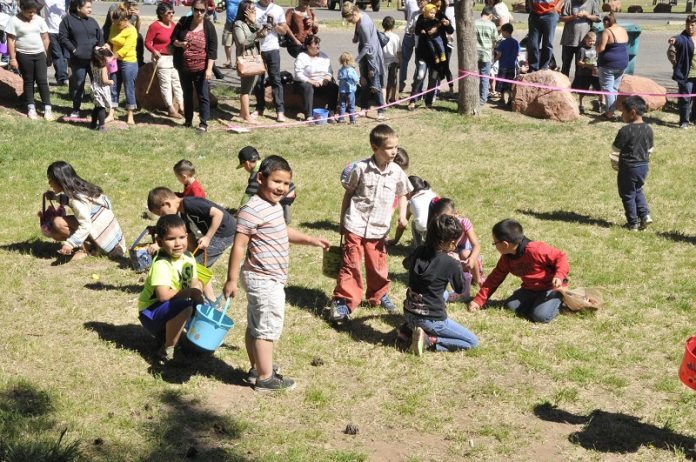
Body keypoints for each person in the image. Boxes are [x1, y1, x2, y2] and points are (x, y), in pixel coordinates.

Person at [222, 155, 329, 392]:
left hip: (264, 278)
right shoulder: (252, 209)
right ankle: (265, 378)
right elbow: (239, 245)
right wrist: (230, 279)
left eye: (285, 183)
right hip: (263, 278)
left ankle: (257, 368)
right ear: (260, 178)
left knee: (255, 326)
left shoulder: (273, 206)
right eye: (276, 182)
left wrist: (310, 239)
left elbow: (282, 231)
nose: (281, 188)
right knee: (266, 329)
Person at [328, 124, 413, 322]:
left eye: (396, 147)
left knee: (377, 265)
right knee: (351, 264)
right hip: (355, 224)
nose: (394, 152)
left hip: (378, 228)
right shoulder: (360, 169)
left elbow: (403, 194)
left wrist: (402, 215)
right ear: (375, 148)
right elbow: (348, 194)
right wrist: (342, 220)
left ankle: (379, 294)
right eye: (389, 148)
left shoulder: (397, 171)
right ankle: (344, 302)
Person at [401, 215, 480, 356]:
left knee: (444, 293)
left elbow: (405, 264)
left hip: (409, 313)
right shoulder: (450, 263)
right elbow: (460, 289)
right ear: (450, 243)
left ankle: (407, 329)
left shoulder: (418, 251)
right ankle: (429, 339)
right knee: (473, 342)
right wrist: (458, 266)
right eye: (455, 242)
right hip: (431, 320)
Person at [469, 219, 569, 324]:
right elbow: (494, 278)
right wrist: (478, 301)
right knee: (510, 307)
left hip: (551, 288)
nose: (494, 245)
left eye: (495, 243)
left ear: (505, 244)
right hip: (530, 289)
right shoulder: (507, 258)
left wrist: (559, 275)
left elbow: (560, 257)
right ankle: (537, 303)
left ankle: (559, 300)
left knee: (540, 316)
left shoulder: (536, 249)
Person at [147, 186, 236, 301]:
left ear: (167, 204)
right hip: (216, 233)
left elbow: (218, 214)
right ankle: (209, 299)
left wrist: (208, 237)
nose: (164, 217)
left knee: (195, 265)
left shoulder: (190, 203)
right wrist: (157, 229)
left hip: (223, 233)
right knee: (195, 263)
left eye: (161, 214)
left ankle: (210, 300)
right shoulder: (182, 211)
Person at [137, 214, 204, 363]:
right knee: (185, 307)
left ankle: (178, 337)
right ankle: (168, 349)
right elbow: (163, 295)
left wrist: (197, 292)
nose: (178, 243)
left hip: (171, 306)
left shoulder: (188, 257)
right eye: (171, 239)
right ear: (160, 241)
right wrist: (190, 293)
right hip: (151, 312)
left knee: (197, 301)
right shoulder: (162, 264)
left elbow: (193, 280)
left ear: (187, 236)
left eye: (181, 237)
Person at [44, 160, 126, 261]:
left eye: (51, 180)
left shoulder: (78, 200)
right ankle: (90, 246)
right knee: (55, 233)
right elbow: (69, 200)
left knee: (58, 223)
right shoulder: (79, 188)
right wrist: (55, 197)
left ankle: (88, 250)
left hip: (105, 239)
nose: (49, 183)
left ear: (59, 180)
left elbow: (86, 225)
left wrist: (71, 243)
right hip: (112, 235)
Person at [171, 0, 218, 133]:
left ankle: (203, 123)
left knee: (203, 95)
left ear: (206, 10)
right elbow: (173, 39)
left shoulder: (209, 27)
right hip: (184, 67)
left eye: (202, 10)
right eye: (196, 9)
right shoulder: (184, 21)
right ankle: (188, 120)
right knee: (187, 94)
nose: (199, 13)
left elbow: (213, 51)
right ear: (192, 8)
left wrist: (209, 69)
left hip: (201, 69)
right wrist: (180, 44)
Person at [427, 197, 484, 297]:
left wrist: (472, 258)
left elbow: (476, 246)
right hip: (451, 257)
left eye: (448, 217)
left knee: (464, 253)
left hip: (466, 259)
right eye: (442, 218)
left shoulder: (464, 223)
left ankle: (478, 279)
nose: (444, 222)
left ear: (456, 214)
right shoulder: (438, 226)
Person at [611, 96, 654, 231]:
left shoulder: (625, 130)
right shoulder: (648, 128)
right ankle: (645, 215)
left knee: (628, 194)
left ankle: (633, 223)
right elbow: (650, 149)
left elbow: (616, 148)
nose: (621, 114)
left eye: (623, 111)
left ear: (632, 113)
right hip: (643, 166)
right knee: (638, 189)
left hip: (628, 167)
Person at [5, 0, 53, 120]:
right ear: (22, 8)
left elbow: (45, 37)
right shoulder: (14, 20)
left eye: (34, 11)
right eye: (29, 12)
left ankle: (47, 108)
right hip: (24, 55)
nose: (32, 14)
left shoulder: (39, 20)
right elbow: (10, 40)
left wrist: (48, 54)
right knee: (28, 81)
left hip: (39, 54)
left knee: (42, 80)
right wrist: (12, 58)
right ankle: (31, 107)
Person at [58, 0, 103, 119]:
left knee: (97, 84)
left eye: (91, 7)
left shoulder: (92, 21)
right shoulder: (67, 20)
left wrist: (101, 49)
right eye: (88, 7)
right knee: (78, 84)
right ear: (78, 7)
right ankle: (76, 109)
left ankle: (98, 109)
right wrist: (73, 50)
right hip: (78, 60)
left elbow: (100, 37)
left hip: (94, 60)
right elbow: (63, 37)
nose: (90, 10)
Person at [342, 1, 386, 119]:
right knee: (364, 82)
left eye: (350, 19)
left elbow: (368, 46)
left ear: (354, 13)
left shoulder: (364, 24)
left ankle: (381, 111)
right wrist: (356, 37)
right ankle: (364, 108)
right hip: (365, 55)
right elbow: (359, 34)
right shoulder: (360, 18)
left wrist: (358, 61)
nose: (349, 22)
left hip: (372, 57)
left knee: (375, 84)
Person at [410, 0, 452, 110]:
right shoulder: (422, 17)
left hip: (437, 55)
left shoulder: (442, 16)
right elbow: (417, 31)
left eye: (439, 6)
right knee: (420, 76)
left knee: (433, 79)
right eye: (435, 5)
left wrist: (447, 25)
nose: (437, 8)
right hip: (423, 53)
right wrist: (424, 30)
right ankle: (413, 100)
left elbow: (450, 30)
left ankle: (428, 102)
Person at [236, 146, 296, 223]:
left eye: (243, 166)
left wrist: (241, 209)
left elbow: (248, 194)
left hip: (280, 195)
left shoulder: (256, 172)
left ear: (247, 163)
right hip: (291, 193)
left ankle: (281, 217)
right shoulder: (267, 164)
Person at [145, 2, 184, 119]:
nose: (172, 14)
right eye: (169, 13)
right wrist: (154, 51)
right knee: (166, 84)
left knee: (177, 82)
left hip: (173, 58)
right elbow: (147, 42)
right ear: (162, 14)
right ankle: (170, 108)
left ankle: (182, 107)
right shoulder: (154, 26)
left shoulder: (173, 25)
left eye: (173, 12)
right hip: (161, 58)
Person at [252, 0, 287, 123]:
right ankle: (259, 108)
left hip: (272, 49)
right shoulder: (253, 8)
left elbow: (284, 30)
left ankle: (280, 111)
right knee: (258, 80)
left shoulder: (277, 9)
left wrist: (275, 25)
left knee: (275, 79)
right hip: (257, 48)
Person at [293, 35, 337, 122]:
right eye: (315, 44)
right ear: (308, 46)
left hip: (320, 82)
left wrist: (326, 79)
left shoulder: (324, 56)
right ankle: (308, 116)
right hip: (304, 82)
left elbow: (329, 72)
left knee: (334, 88)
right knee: (308, 88)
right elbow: (298, 74)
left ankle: (330, 113)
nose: (318, 46)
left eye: (319, 44)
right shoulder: (301, 56)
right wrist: (311, 81)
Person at [108, 5, 137, 125]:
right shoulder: (114, 26)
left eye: (118, 23)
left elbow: (127, 48)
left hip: (128, 62)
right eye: (114, 23)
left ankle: (130, 115)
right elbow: (111, 40)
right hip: (114, 60)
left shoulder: (131, 31)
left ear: (125, 20)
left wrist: (114, 55)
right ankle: (111, 114)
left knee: (128, 88)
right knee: (113, 87)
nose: (116, 25)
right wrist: (107, 47)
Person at [389, 175, 437, 248]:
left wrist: (395, 241)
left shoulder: (412, 202)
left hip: (428, 232)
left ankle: (418, 248)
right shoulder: (432, 194)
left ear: (409, 191)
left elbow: (402, 225)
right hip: (442, 230)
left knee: (414, 223)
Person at [233, 0, 261, 123]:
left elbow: (263, 33)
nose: (254, 11)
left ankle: (241, 113)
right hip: (246, 59)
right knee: (245, 89)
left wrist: (255, 22)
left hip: (254, 58)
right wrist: (255, 35)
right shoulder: (238, 24)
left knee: (249, 88)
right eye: (252, 9)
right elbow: (242, 42)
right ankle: (247, 116)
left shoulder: (251, 24)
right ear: (245, 11)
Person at [596, 13, 628, 120]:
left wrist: (595, 48)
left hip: (609, 64)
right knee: (614, 88)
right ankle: (612, 109)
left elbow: (601, 48)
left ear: (606, 22)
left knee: (608, 88)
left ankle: (609, 113)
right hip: (622, 62)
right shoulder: (623, 30)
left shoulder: (607, 31)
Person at [668, 15, 696, 129]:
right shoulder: (683, 38)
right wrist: (673, 40)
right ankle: (684, 121)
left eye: (693, 25)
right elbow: (678, 39)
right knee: (685, 98)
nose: (690, 27)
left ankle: (694, 119)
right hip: (686, 75)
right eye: (688, 25)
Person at [559, 0, 599, 77]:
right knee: (565, 65)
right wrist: (574, 16)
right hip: (568, 40)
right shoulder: (569, 2)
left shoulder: (592, 3)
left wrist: (587, 15)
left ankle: (578, 86)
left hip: (583, 42)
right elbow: (561, 18)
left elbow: (598, 18)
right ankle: (564, 86)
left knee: (580, 68)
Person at [526, 0, 559, 72]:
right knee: (533, 44)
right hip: (535, 14)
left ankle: (544, 67)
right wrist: (531, 9)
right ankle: (533, 68)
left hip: (550, 14)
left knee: (548, 43)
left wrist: (556, 8)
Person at [572, 31, 601, 114]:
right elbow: (579, 62)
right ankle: (581, 104)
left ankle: (600, 104)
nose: (591, 42)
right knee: (583, 90)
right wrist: (587, 65)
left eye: (593, 41)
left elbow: (597, 59)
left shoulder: (596, 49)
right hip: (584, 74)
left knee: (599, 89)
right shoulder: (582, 49)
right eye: (590, 41)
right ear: (585, 40)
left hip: (595, 74)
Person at [475, 6, 497, 106]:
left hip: (474, 54)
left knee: (473, 76)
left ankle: (473, 95)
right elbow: (495, 40)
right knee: (484, 77)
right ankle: (482, 99)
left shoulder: (474, 23)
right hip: (486, 55)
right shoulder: (492, 25)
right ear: (490, 15)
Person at [43, 0, 69, 86]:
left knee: (65, 56)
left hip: (65, 30)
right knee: (57, 55)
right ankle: (62, 78)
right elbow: (36, 5)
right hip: (51, 31)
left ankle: (61, 77)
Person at [495, 23, 519, 107]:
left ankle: (502, 98)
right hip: (512, 65)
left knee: (501, 81)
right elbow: (517, 54)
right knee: (509, 82)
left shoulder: (503, 43)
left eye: (502, 32)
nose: (501, 34)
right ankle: (509, 98)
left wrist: (495, 60)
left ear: (506, 32)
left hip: (503, 65)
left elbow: (499, 54)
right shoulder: (516, 42)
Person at [89, 45, 114, 131]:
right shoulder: (103, 67)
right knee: (102, 108)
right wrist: (110, 82)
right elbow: (104, 80)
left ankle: (93, 123)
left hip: (94, 87)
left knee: (97, 106)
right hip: (101, 89)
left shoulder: (92, 63)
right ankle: (102, 126)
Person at [398, 0, 419, 95]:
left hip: (415, 34)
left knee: (407, 60)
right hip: (410, 34)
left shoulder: (408, 1)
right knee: (406, 60)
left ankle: (404, 84)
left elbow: (406, 16)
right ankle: (406, 84)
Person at [382, 15, 400, 104]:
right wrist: (400, 61)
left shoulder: (380, 36)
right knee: (393, 81)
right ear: (393, 26)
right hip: (393, 61)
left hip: (383, 61)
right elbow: (399, 51)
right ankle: (393, 98)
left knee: (384, 82)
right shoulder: (396, 37)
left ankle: (383, 101)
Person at [337, 51, 359, 124]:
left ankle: (341, 119)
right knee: (351, 105)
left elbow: (338, 78)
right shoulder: (352, 70)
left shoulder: (340, 70)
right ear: (351, 61)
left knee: (342, 105)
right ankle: (352, 119)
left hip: (342, 91)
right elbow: (356, 79)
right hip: (350, 91)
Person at [221, 0, 241, 68]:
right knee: (227, 43)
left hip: (239, 23)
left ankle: (237, 62)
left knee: (239, 44)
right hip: (228, 22)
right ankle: (228, 61)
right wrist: (219, 9)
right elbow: (222, 6)